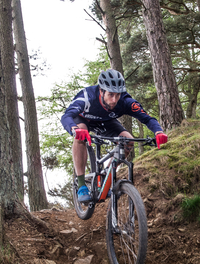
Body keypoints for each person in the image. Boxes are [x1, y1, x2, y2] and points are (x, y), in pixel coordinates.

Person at [61, 69, 168, 202]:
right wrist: (74, 128)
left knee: (128, 140)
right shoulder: (87, 97)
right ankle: (81, 185)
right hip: (83, 120)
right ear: (101, 91)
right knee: (81, 134)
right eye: (110, 95)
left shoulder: (125, 101)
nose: (114, 100)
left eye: (117, 95)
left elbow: (147, 118)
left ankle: (107, 174)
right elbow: (67, 116)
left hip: (106, 121)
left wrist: (158, 132)